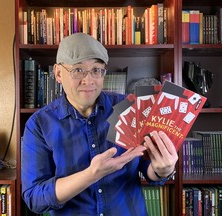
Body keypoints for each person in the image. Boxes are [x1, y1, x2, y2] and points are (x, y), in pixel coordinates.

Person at [21, 32, 178, 216]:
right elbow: (35, 198)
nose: (88, 80)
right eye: (78, 70)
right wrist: (90, 175)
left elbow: (150, 171)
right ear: (57, 73)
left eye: (96, 70)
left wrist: (162, 170)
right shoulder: (39, 124)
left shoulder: (128, 108)